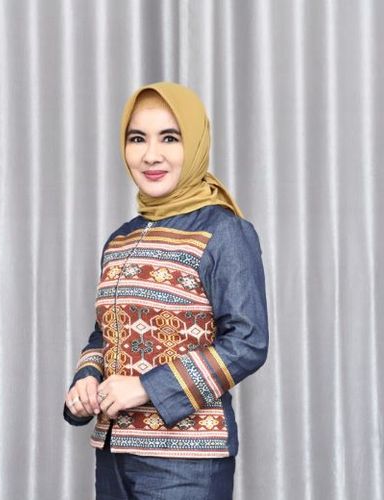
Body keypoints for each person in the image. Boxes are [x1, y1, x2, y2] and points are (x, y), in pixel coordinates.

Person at [63, 81, 269, 500]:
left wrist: (147, 387)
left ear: (194, 144)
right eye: (137, 138)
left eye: (170, 138)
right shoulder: (120, 240)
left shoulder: (223, 231)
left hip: (186, 463)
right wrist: (87, 378)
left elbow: (248, 342)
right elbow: (105, 334)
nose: (151, 155)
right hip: (113, 454)